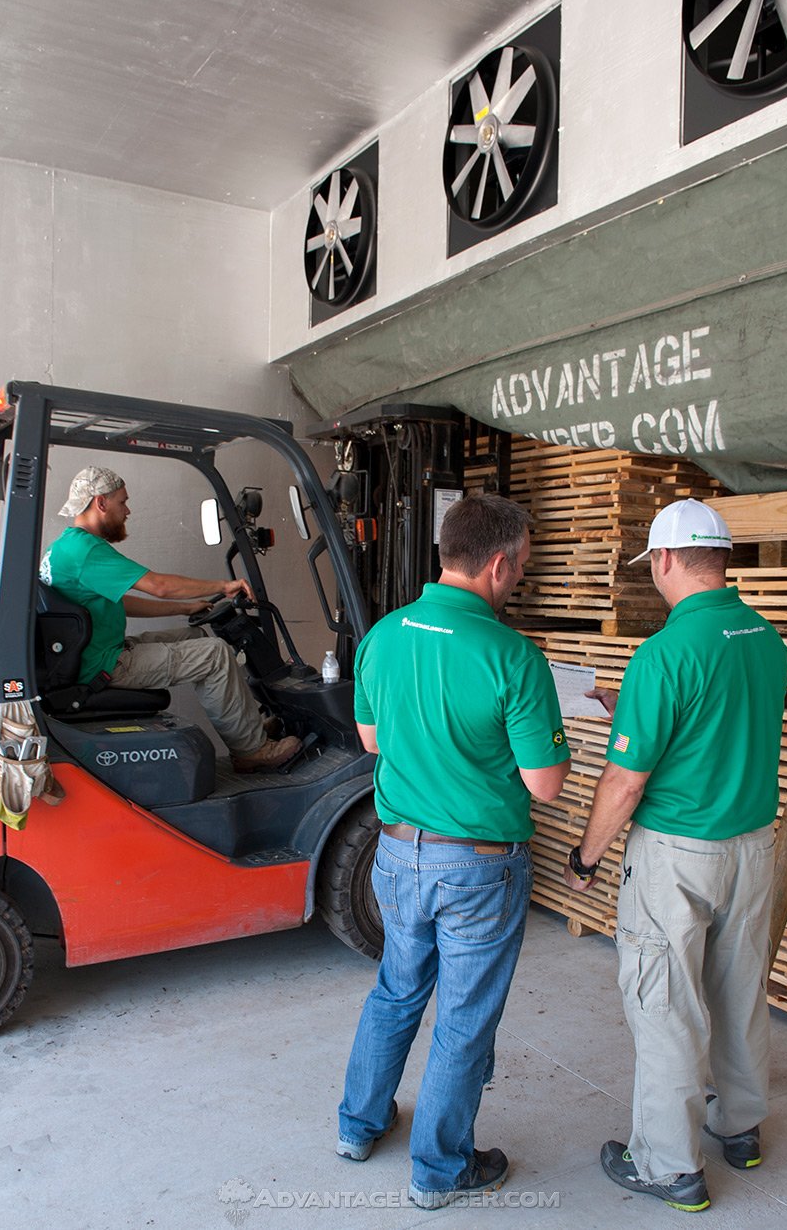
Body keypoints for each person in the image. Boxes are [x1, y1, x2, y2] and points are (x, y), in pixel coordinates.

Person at [336, 493, 571, 1211]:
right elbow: (548, 785)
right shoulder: (513, 656)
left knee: (397, 988)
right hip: (478, 866)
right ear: (498, 563)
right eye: (522, 567)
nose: (520, 579)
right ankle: (440, 1169)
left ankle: (358, 1125)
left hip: (396, 853)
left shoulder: (382, 635)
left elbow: (372, 742)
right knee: (464, 1016)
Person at [564, 498, 787, 1213]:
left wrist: (586, 856)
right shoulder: (765, 637)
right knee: (737, 990)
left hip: (677, 858)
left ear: (664, 560)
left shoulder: (663, 655)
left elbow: (625, 781)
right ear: (720, 559)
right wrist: (629, 704)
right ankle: (740, 1126)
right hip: (752, 850)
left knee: (665, 1007)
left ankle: (669, 1167)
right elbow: (723, 718)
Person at [39, 465, 301, 772]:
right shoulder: (85, 550)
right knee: (215, 655)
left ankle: (248, 727)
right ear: (101, 503)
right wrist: (223, 585)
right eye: (122, 502)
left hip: (96, 655)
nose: (128, 510)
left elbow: (120, 604)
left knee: (196, 638)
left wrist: (185, 608)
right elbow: (159, 586)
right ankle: (251, 751)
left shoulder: (63, 547)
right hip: (104, 665)